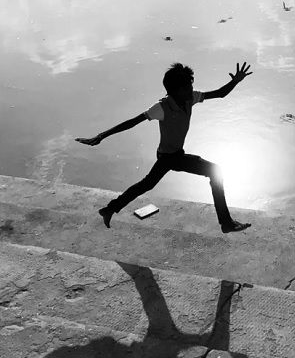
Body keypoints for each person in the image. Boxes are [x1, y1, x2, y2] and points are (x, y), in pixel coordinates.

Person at [76, 62, 253, 233]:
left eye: (191, 86)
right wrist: (101, 136)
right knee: (211, 171)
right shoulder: (161, 107)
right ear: (175, 91)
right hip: (167, 157)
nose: (191, 90)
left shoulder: (189, 98)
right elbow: (131, 122)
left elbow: (220, 94)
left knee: (148, 184)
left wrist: (235, 81)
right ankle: (227, 224)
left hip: (176, 155)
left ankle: (110, 209)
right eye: (187, 88)